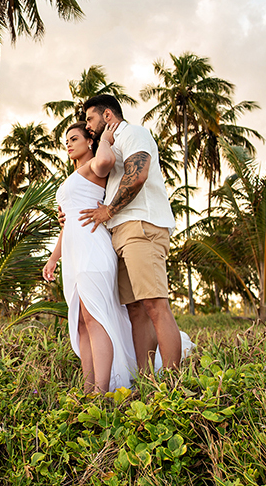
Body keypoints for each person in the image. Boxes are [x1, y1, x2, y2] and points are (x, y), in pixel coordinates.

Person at [78, 94, 191, 372]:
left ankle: (173, 384)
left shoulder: (134, 134)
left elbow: (138, 175)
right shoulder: (110, 149)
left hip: (141, 225)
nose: (87, 126)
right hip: (120, 232)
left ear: (107, 116)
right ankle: (145, 378)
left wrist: (109, 210)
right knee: (136, 311)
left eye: (90, 119)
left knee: (154, 305)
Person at [43, 122, 137, 393]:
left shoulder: (96, 164)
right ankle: (88, 388)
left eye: (74, 138)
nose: (69, 144)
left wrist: (105, 138)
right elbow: (68, 223)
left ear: (90, 141)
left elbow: (107, 160)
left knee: (95, 316)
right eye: (66, 142)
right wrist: (53, 258)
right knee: (82, 320)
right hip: (73, 252)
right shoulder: (75, 175)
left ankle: (102, 390)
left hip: (92, 248)